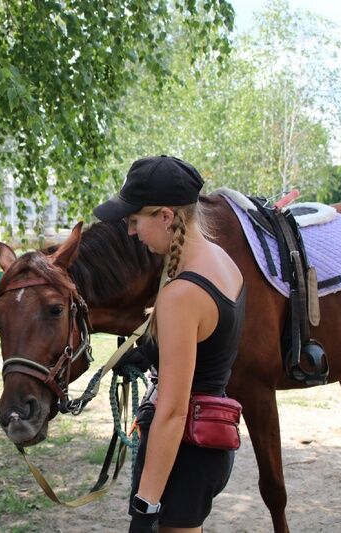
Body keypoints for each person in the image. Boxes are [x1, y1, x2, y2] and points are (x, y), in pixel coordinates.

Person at [94, 156, 246, 532]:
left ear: (165, 217)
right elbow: (210, 344)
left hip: (184, 452)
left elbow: (173, 411)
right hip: (208, 447)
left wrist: (144, 508)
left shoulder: (181, 293)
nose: (131, 232)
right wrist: (150, 350)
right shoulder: (222, 261)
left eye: (134, 221)